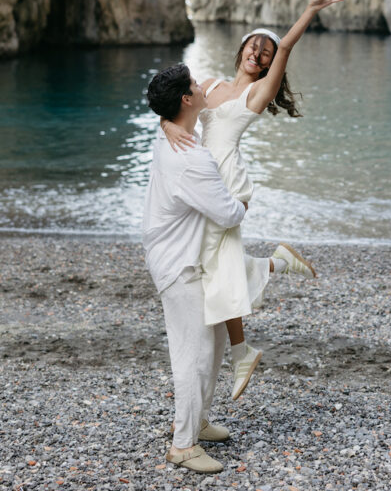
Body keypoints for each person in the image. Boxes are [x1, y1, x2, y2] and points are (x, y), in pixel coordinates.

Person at [161, 0, 346, 401]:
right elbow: (175, 106)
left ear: (266, 66)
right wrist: (166, 125)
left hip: (226, 181)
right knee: (214, 263)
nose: (258, 53)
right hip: (199, 178)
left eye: (265, 52)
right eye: (253, 46)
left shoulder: (255, 95)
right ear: (241, 49)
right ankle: (274, 267)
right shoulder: (207, 84)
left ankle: (242, 352)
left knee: (215, 263)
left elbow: (285, 50)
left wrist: (310, 9)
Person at [143, 63, 247, 475]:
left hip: (183, 255)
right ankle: (183, 445)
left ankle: (198, 420)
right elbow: (227, 214)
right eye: (195, 85)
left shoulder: (174, 133)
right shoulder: (191, 160)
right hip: (178, 264)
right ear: (187, 100)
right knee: (193, 355)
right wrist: (245, 203)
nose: (203, 85)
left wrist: (167, 124)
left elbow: (172, 113)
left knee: (217, 340)